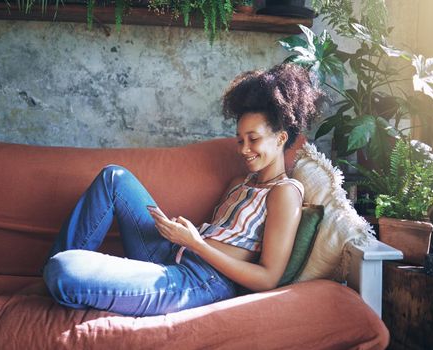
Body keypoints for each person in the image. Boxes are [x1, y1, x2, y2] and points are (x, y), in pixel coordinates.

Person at [42, 63, 323, 317]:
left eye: (253, 139)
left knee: (63, 270)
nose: (244, 150)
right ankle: (54, 274)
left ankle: (58, 274)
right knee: (113, 177)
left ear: (281, 138)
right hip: (173, 253)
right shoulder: (240, 183)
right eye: (239, 140)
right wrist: (179, 235)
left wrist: (196, 243)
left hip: (201, 281)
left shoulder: (285, 192)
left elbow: (267, 278)